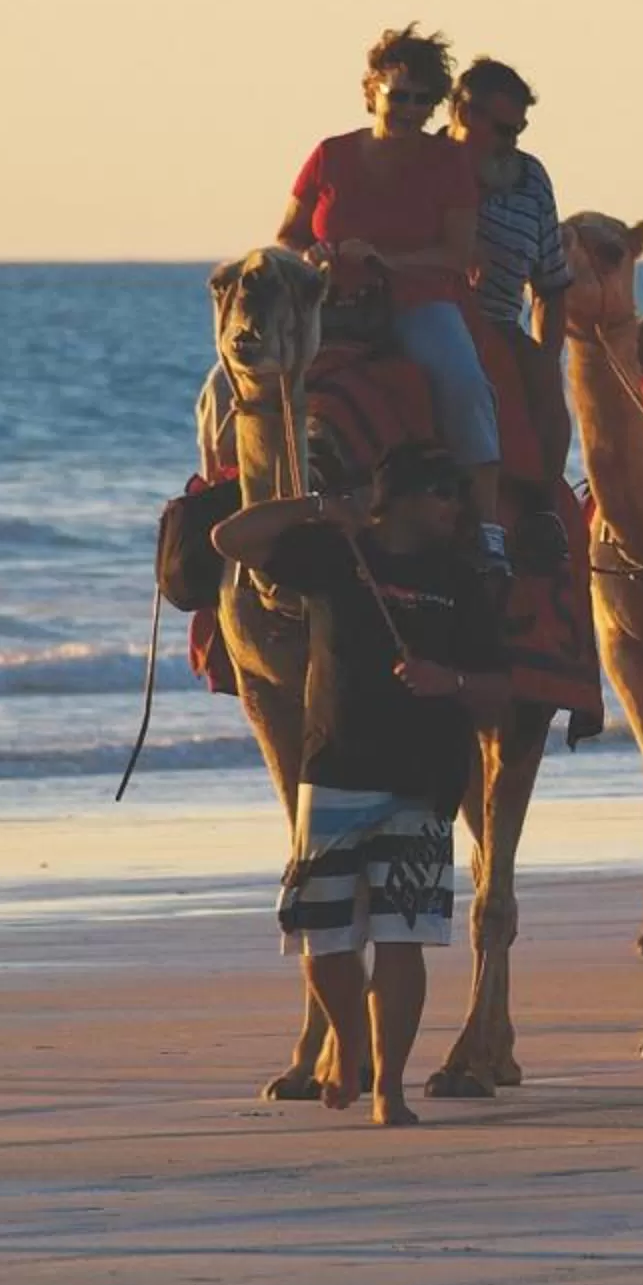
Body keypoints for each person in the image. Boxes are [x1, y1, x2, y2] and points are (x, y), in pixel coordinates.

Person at [209, 441, 510, 1126]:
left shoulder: (460, 578)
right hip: (336, 774)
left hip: (422, 780)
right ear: (399, 498)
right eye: (442, 493)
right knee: (328, 942)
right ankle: (347, 1043)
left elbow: (498, 689)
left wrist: (451, 683)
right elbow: (230, 537)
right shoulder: (338, 558)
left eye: (458, 496)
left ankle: (390, 1088)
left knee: (403, 937)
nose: (454, 508)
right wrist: (320, 508)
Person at [279, 27, 512, 569]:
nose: (410, 108)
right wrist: (311, 257)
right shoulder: (330, 155)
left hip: (414, 297)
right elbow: (289, 233)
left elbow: (456, 254)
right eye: (400, 94)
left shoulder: (446, 163)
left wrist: (385, 261)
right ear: (373, 90)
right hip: (330, 302)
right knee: (244, 377)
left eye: (423, 99)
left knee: (462, 380)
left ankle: (487, 527)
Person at [449, 57, 572, 487]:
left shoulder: (531, 178)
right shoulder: (428, 165)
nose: (511, 143)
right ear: (464, 114)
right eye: (502, 130)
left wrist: (547, 355)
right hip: (435, 313)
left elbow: (552, 284)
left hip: (500, 323)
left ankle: (546, 505)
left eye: (518, 132)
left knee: (549, 399)